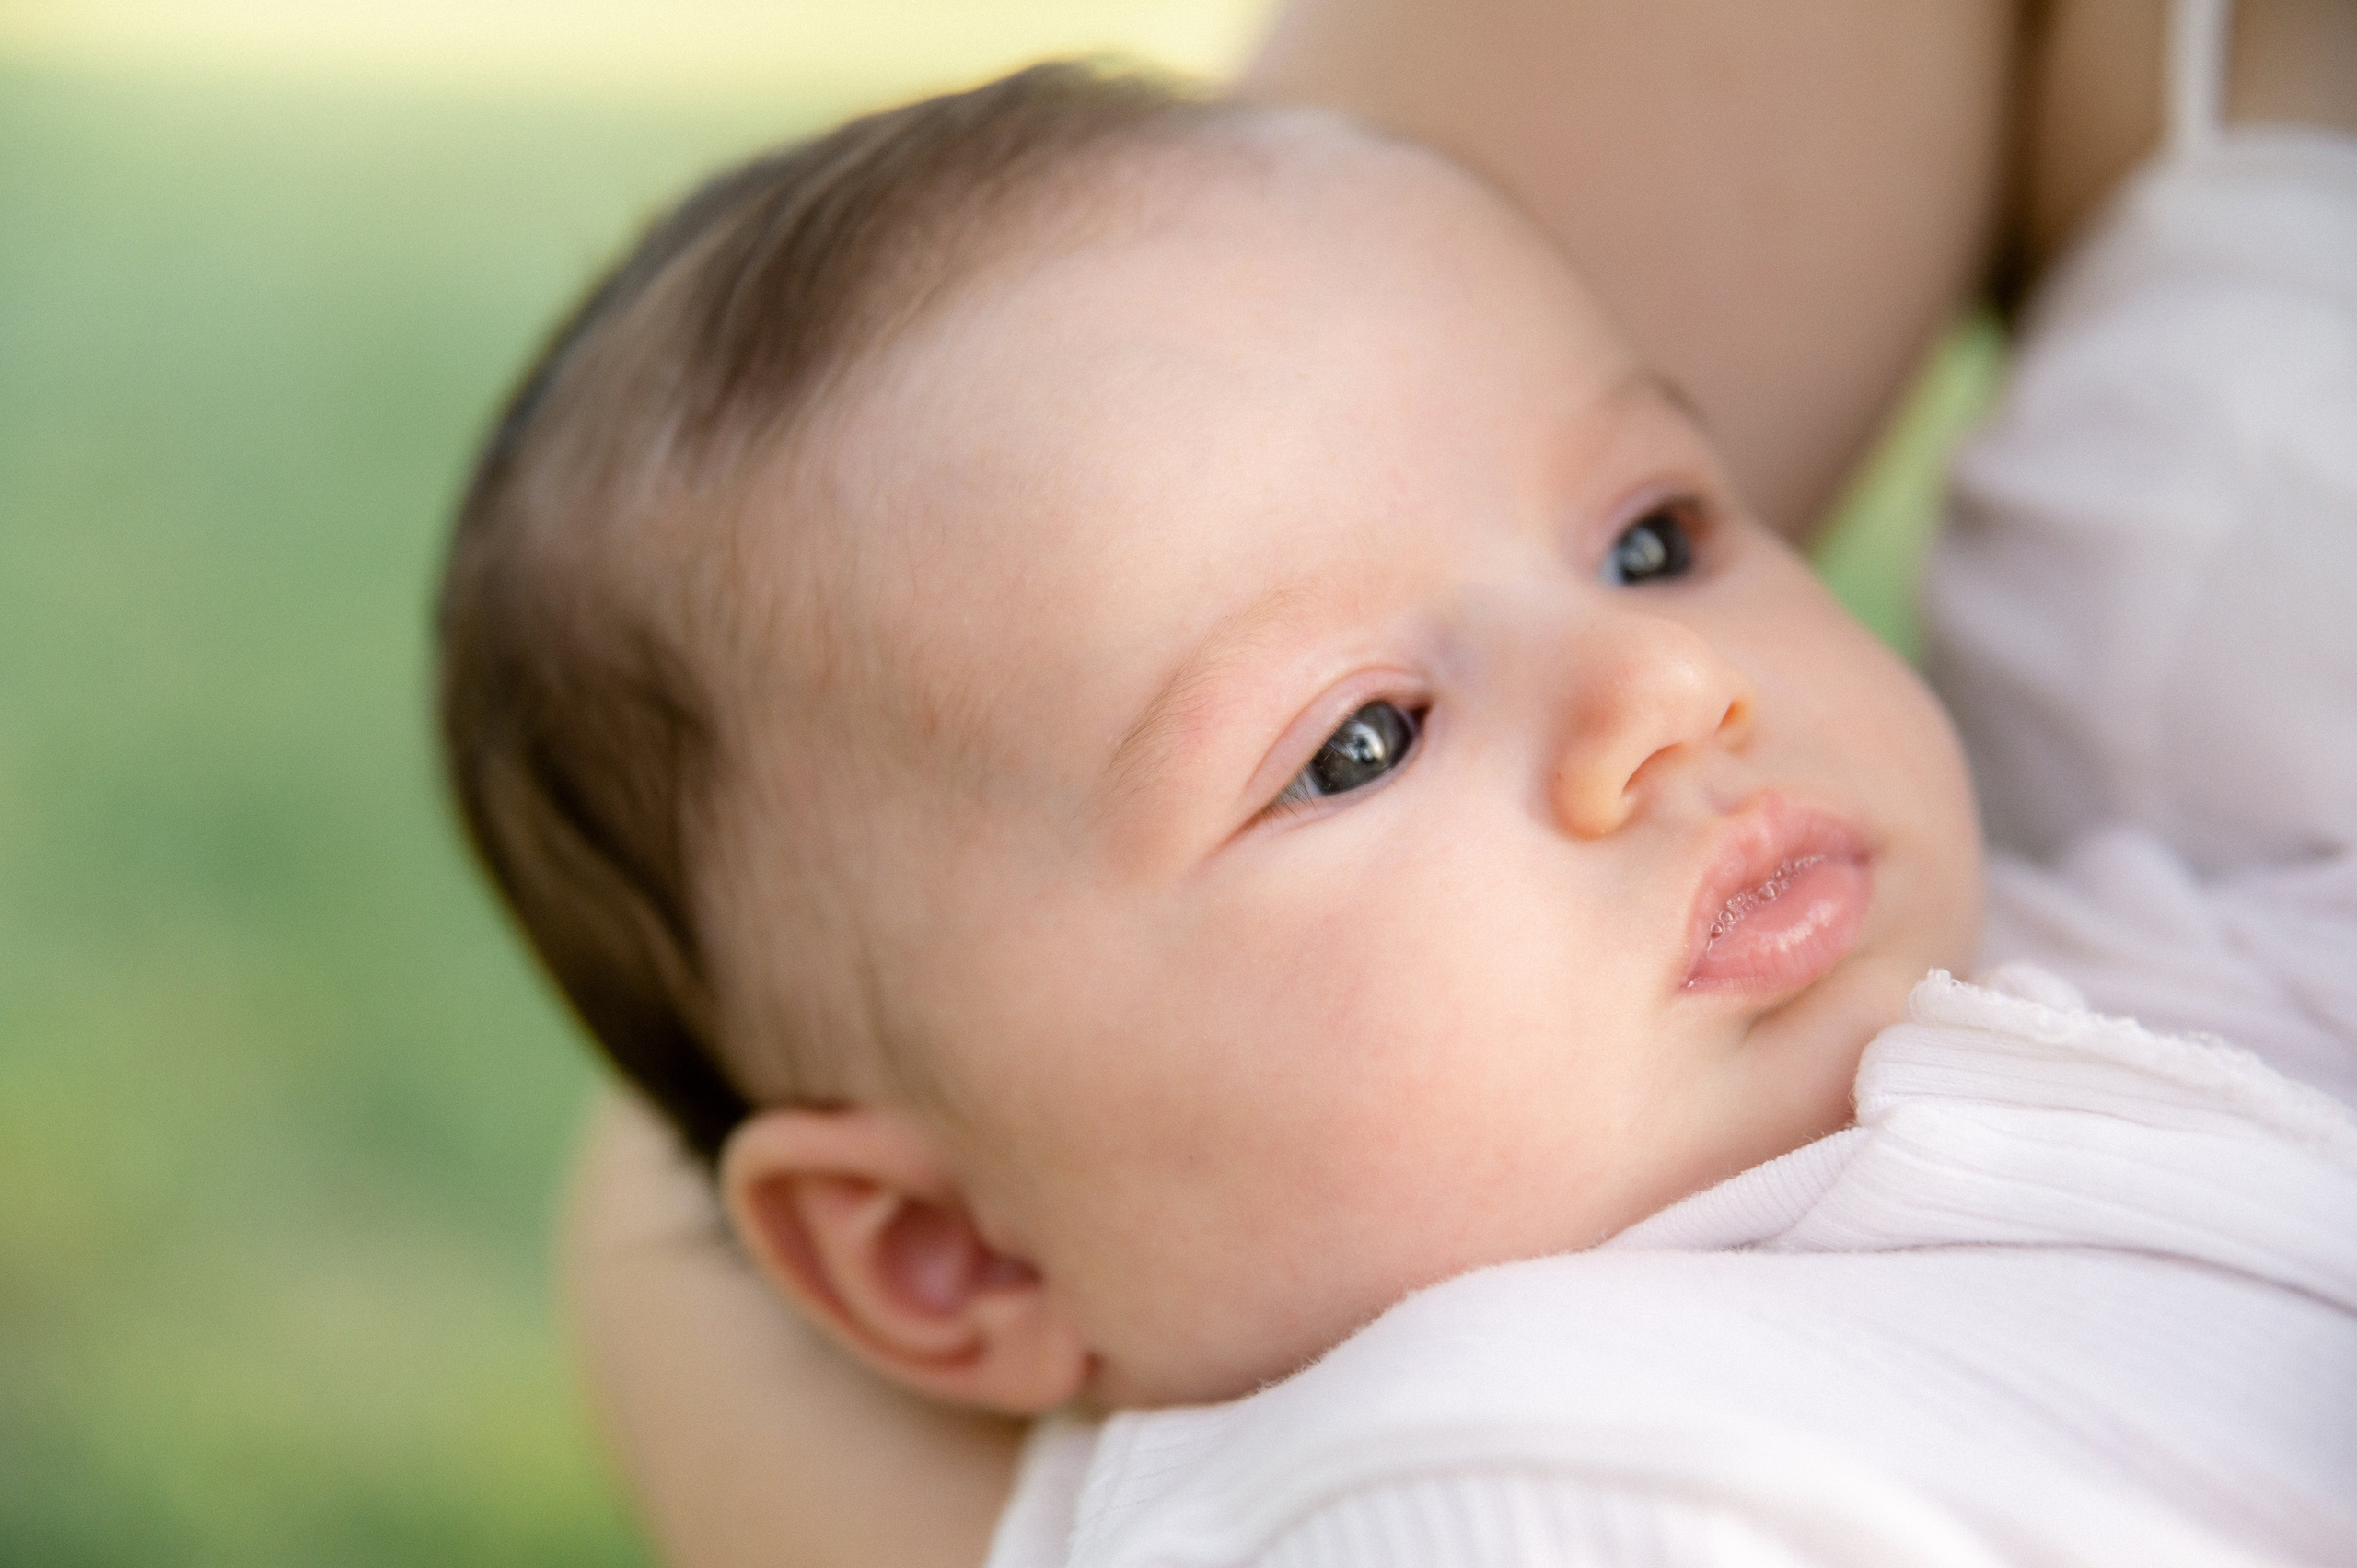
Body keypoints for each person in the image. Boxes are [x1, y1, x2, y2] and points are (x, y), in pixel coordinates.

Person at [444, 0, 2357, 1562]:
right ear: (946, 1252)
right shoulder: (1494, 1492)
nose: (1668, 688)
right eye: (1357, 742)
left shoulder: (2104, 969)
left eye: (1653, 537)